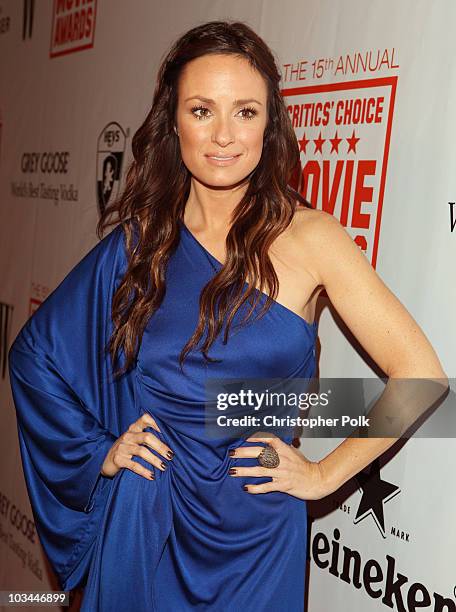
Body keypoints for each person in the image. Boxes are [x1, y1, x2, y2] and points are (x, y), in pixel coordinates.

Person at [8, 20, 448, 612]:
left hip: (257, 536)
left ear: (270, 124)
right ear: (173, 122)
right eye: (201, 110)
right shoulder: (140, 245)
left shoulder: (311, 238)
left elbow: (420, 375)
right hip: (147, 525)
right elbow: (35, 358)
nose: (223, 136)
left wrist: (321, 475)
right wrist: (100, 452)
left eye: (244, 112)